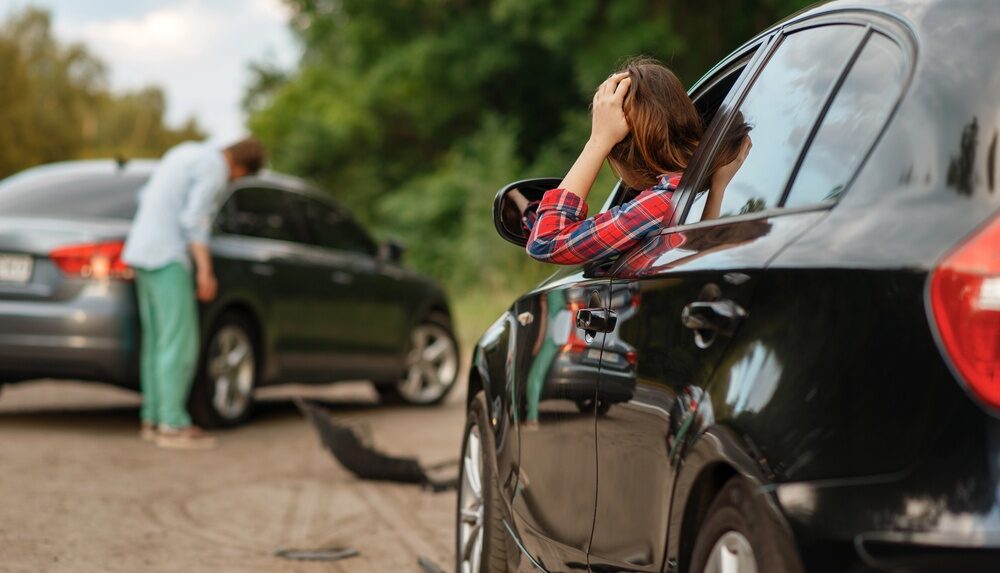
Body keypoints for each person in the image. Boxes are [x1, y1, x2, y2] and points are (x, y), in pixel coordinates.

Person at [526, 57, 751, 265]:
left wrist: (597, 142)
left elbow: (545, 242)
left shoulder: (661, 203)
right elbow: (699, 256)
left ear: (621, 152)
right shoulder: (689, 191)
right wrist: (718, 188)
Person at [122, 137, 265, 449]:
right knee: (180, 342)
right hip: (168, 256)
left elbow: (144, 195)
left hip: (140, 251)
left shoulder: (184, 152)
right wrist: (204, 270)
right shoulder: (214, 168)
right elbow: (194, 220)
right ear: (240, 167)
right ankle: (172, 424)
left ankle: (153, 417)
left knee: (158, 342)